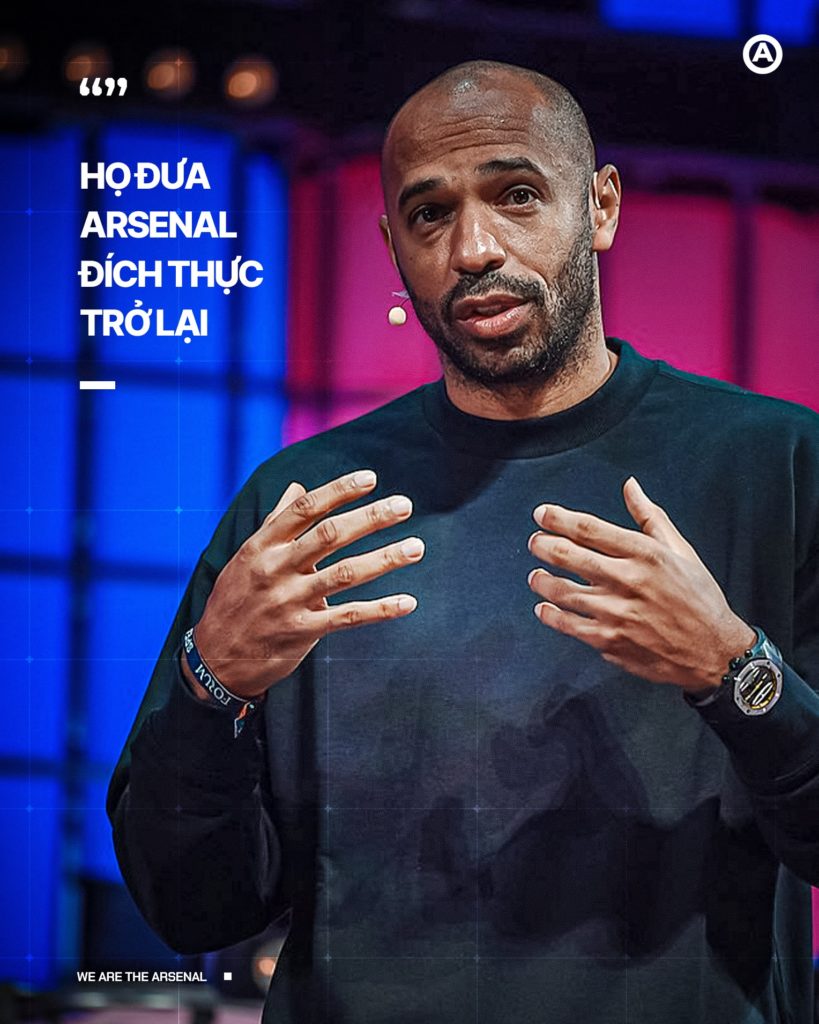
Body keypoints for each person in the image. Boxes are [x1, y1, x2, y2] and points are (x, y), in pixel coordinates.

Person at [108, 59, 819, 1023]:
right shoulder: (301, 505)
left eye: (516, 195)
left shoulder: (779, 467)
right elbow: (193, 908)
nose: (473, 248)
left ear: (600, 206)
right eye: (429, 214)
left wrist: (732, 671)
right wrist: (211, 686)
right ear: (392, 245)